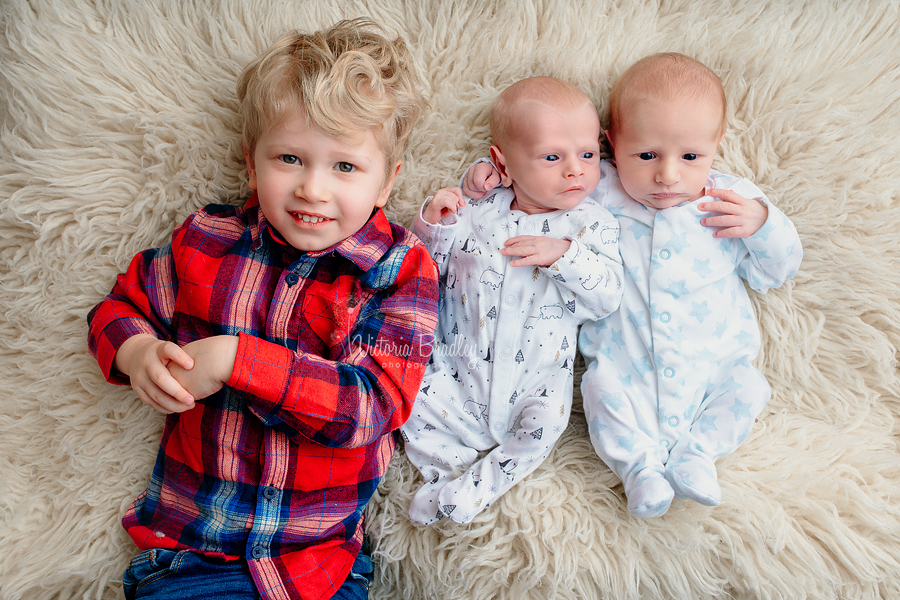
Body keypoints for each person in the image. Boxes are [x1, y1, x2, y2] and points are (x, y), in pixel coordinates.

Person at [87, 19, 439, 600]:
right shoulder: (206, 242)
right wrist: (139, 350)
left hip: (319, 564)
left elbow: (371, 405)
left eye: (344, 167)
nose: (313, 189)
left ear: (385, 183)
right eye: (290, 159)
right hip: (191, 557)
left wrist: (236, 360)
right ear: (252, 165)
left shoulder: (398, 270)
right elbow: (120, 306)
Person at [463, 53, 802, 518]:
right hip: (627, 367)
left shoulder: (731, 201)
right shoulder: (599, 187)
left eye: (690, 156)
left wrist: (763, 224)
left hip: (714, 365)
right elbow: (541, 179)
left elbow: (778, 270)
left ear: (714, 146)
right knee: (601, 392)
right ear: (612, 143)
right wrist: (490, 176)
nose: (667, 174)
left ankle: (698, 454)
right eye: (645, 155)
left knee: (749, 388)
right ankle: (639, 468)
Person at [401, 77, 624, 526]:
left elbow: (607, 297)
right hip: (459, 366)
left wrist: (565, 256)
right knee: (415, 400)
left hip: (536, 380)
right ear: (503, 162)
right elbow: (429, 269)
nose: (575, 170)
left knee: (544, 427)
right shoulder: (480, 211)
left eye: (587, 155)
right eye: (552, 157)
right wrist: (436, 221)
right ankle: (441, 477)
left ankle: (477, 488)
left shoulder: (591, 225)